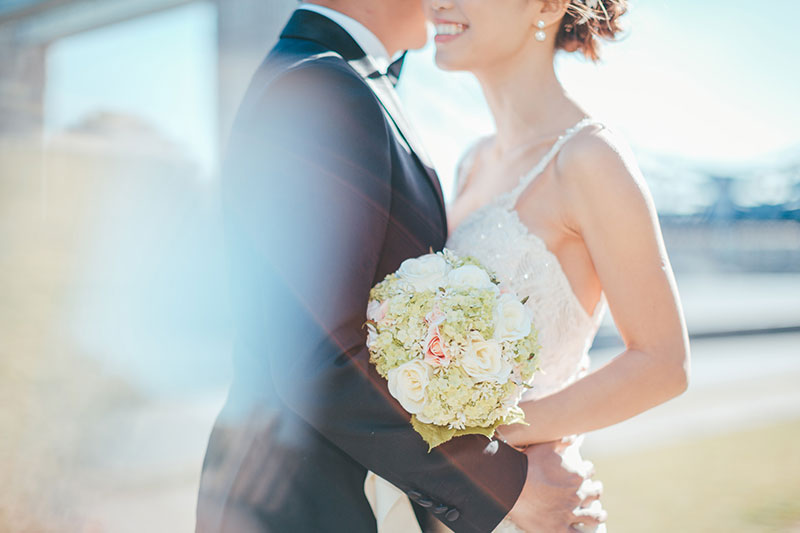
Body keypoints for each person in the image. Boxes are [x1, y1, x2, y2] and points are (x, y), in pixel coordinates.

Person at [195, 1, 601, 532]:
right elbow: (320, 358)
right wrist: (504, 484)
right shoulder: (322, 86)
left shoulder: (344, 80)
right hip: (304, 504)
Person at [405, 0, 690, 530]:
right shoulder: (473, 161)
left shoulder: (589, 157)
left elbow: (663, 362)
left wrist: (497, 440)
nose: (437, 2)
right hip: (464, 504)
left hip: (534, 500)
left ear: (547, 6)